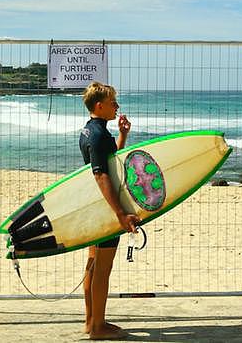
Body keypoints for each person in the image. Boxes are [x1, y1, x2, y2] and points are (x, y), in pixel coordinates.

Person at [79, 81, 140, 340]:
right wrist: (119, 214)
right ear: (100, 106)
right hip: (105, 209)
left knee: (92, 265)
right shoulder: (98, 135)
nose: (117, 106)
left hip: (95, 207)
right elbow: (102, 175)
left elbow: (110, 161)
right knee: (102, 269)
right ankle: (98, 328)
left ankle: (91, 321)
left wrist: (123, 135)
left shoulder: (91, 131)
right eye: (113, 102)